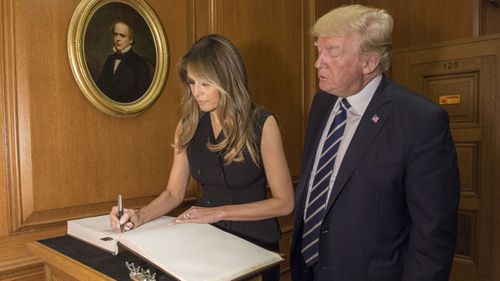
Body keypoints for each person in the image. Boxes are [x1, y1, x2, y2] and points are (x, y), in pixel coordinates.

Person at [290, 4, 460, 281]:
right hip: (308, 269)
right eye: (318, 50)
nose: (318, 62)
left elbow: (433, 236)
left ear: (368, 62)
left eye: (332, 51)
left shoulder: (421, 121)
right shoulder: (322, 103)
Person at [110, 34, 294, 281]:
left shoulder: (263, 123)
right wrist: (139, 216)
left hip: (256, 249)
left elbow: (284, 203)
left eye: (205, 84)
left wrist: (218, 212)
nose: (197, 92)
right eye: (192, 83)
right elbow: (174, 193)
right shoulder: (188, 125)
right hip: (207, 243)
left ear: (227, 81)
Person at [97, 20, 152, 103]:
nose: (117, 39)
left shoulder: (139, 63)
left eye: (122, 35)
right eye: (116, 34)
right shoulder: (110, 59)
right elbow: (100, 87)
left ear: (131, 40)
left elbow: (141, 96)